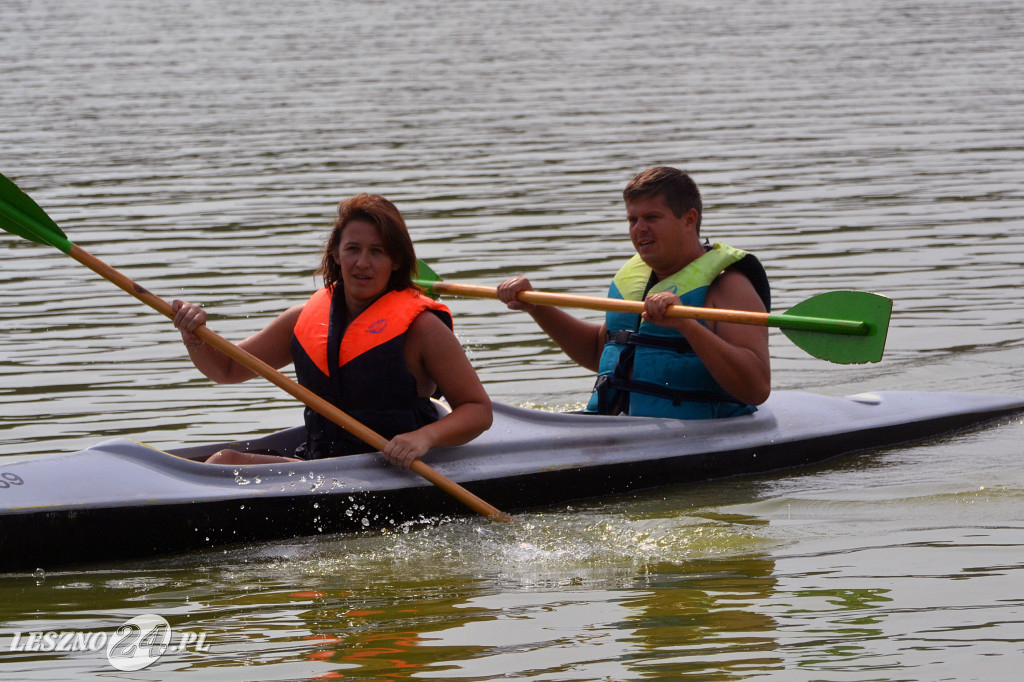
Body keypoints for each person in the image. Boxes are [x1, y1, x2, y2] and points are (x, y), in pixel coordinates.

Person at [172, 193, 492, 468]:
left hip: (400, 470)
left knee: (223, 463)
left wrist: (424, 438)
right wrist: (195, 337)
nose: (362, 263)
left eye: (377, 251)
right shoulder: (302, 320)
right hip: (321, 467)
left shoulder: (422, 328)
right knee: (224, 462)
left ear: (396, 261)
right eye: (353, 249)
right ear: (337, 254)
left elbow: (478, 410)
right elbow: (227, 369)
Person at [497, 166, 771, 419]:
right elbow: (599, 351)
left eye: (652, 217)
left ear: (689, 220)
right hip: (619, 432)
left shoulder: (729, 286)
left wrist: (688, 326)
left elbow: (756, 388)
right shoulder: (637, 281)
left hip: (697, 437)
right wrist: (537, 307)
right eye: (633, 219)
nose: (639, 229)